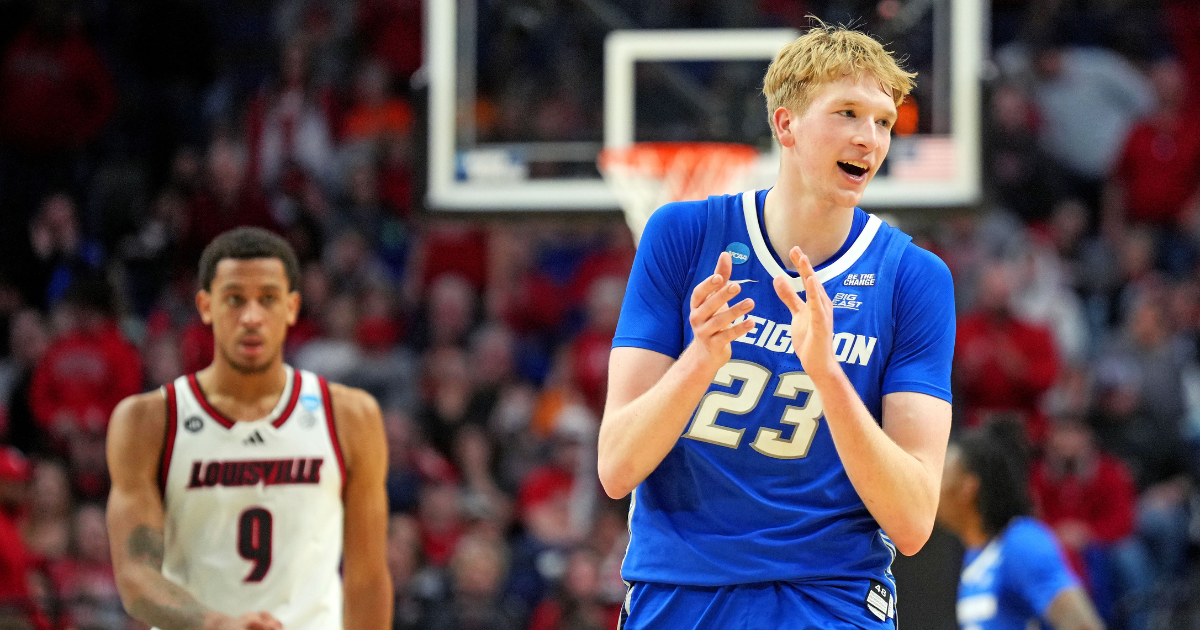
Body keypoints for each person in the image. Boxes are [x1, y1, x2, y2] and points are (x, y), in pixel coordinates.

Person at [600, 23, 956, 629]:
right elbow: (616, 468)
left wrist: (828, 374)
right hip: (680, 587)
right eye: (847, 113)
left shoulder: (915, 277)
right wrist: (701, 359)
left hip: (830, 595)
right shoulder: (681, 236)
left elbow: (914, 521)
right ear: (786, 124)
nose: (869, 139)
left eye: (883, 122)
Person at [105, 227, 392, 630]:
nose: (252, 317)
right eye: (235, 299)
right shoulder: (149, 420)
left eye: (268, 299)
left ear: (293, 307)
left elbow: (367, 579)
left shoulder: (349, 415)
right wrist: (216, 624)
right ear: (205, 305)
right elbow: (136, 578)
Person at [937, 422, 1105, 630]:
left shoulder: (1021, 542)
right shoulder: (977, 553)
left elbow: (1084, 626)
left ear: (968, 487)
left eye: (942, 475)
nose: (933, 486)